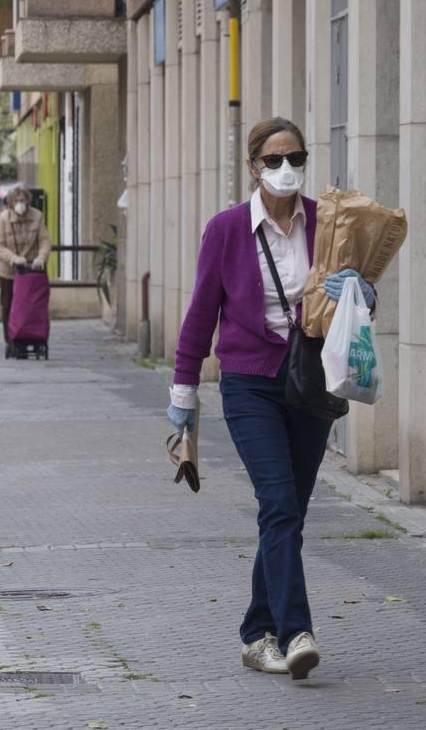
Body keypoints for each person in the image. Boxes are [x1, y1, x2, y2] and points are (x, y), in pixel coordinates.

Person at [168, 117, 375, 681]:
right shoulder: (227, 229)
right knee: (279, 504)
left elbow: (355, 301)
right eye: (274, 159)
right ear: (253, 166)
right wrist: (183, 397)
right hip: (250, 382)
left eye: (296, 157)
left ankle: (255, 633)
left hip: (310, 379)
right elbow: (198, 317)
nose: (287, 169)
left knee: (288, 514)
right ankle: (295, 633)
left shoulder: (328, 224)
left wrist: (361, 291)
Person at [0, 185, 51, 359]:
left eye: (23, 200)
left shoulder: (37, 216)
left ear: (28, 201)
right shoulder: (3, 218)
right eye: (16, 201)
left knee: (32, 305)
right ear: (11, 203)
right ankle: (11, 339)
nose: (20, 204)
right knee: (9, 305)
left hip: (31, 269)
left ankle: (32, 336)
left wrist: (41, 258)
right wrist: (13, 258)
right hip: (8, 271)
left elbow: (45, 241)